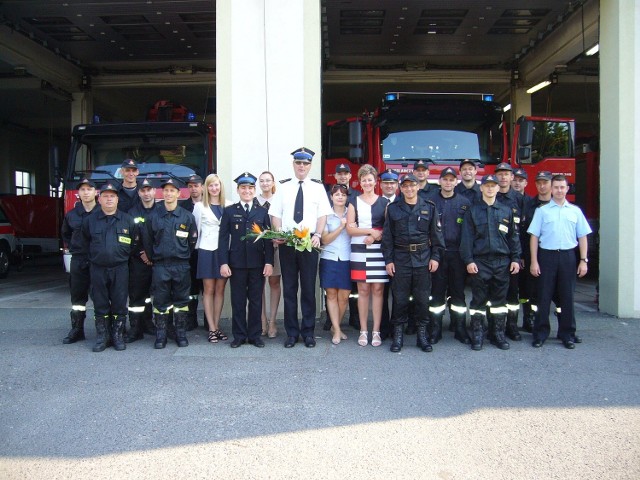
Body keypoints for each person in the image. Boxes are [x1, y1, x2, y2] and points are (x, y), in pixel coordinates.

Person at [268, 147, 332, 348]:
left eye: (305, 163)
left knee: (307, 290)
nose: (301, 166)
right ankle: (292, 333)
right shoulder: (284, 187)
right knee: (289, 289)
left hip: (308, 245)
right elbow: (275, 214)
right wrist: (278, 233)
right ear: (293, 165)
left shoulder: (317, 188)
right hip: (288, 244)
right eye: (298, 163)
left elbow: (323, 215)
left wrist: (318, 235)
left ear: (310, 166)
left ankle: (308, 332)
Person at [528, 174, 592, 349]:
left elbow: (583, 237)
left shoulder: (575, 211)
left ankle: (567, 333)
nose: (559, 190)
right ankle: (540, 334)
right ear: (551, 189)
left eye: (562, 187)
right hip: (546, 256)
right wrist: (534, 261)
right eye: (555, 187)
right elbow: (534, 237)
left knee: (567, 297)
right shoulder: (542, 211)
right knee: (543, 297)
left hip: (567, 257)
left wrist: (583, 260)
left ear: (567, 189)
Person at [381, 174, 444, 353]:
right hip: (401, 259)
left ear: (418, 187)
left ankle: (421, 336)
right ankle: (398, 335)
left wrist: (435, 257)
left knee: (422, 300)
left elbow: (437, 236)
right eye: (405, 186)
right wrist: (389, 260)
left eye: (412, 186)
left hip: (423, 259)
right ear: (401, 188)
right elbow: (387, 238)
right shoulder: (393, 209)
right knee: (400, 299)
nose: (409, 189)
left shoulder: (429, 208)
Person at [460, 174, 521, 351]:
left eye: (493, 186)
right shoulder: (472, 211)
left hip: (502, 262)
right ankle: (478, 334)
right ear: (481, 188)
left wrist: (516, 258)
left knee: (499, 301)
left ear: (497, 188)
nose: (490, 188)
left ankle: (498, 334)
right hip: (480, 262)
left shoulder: (506, 211)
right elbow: (466, 239)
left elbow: (514, 238)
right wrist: (469, 260)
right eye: (486, 185)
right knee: (478, 300)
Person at [80, 182, 137, 352]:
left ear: (117, 199)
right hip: (98, 268)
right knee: (100, 303)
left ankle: (117, 336)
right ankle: (102, 337)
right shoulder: (90, 221)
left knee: (120, 303)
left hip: (120, 268)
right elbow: (84, 243)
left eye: (112, 196)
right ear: (100, 199)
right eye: (105, 196)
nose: (109, 199)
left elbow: (134, 243)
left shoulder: (127, 220)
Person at [219, 173, 274, 348]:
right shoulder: (229, 211)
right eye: (243, 188)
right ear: (238, 190)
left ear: (254, 190)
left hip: (257, 263)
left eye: (250, 188)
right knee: (238, 301)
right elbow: (222, 239)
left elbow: (267, 240)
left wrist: (269, 262)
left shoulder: (262, 212)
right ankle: (239, 336)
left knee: (256, 301)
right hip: (236, 264)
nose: (247, 191)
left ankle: (255, 335)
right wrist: (223, 262)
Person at [142, 178, 198, 349]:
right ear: (162, 193)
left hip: (181, 265)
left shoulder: (187, 217)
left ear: (179, 194)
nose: (168, 193)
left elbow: (192, 241)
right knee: (160, 302)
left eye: (172, 191)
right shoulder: (153, 216)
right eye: (166, 190)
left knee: (181, 301)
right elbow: (147, 240)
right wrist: (154, 258)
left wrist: (181, 255)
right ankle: (161, 335)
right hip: (160, 265)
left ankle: (181, 334)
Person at [346, 165, 389, 347]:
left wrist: (374, 235)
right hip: (359, 250)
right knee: (362, 290)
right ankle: (364, 330)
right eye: (364, 180)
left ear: (375, 181)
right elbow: (350, 229)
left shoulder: (385, 202)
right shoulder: (353, 202)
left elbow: (388, 227)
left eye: (370, 179)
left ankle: (376, 331)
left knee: (378, 290)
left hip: (379, 250)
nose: (367, 182)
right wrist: (370, 231)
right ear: (360, 182)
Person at [428, 167, 471, 345]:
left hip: (457, 255)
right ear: (439, 181)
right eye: (444, 179)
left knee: (458, 293)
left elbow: (468, 232)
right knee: (436, 293)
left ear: (456, 182)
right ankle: (435, 329)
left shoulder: (464, 202)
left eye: (451, 179)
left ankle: (459, 328)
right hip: (437, 254)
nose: (448, 182)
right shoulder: (430, 201)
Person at [60, 177, 99, 344]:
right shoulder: (72, 215)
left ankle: (103, 330)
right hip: (79, 260)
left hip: (98, 261)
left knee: (101, 297)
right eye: (82, 190)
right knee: (77, 298)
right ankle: (77, 329)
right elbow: (66, 234)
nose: (86, 192)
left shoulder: (103, 212)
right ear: (79, 193)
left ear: (95, 192)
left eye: (89, 189)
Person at [192, 174, 229, 343]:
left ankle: (217, 325)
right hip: (206, 250)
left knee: (220, 290)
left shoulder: (228, 205)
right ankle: (211, 328)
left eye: (216, 185)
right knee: (208, 290)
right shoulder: (200, 206)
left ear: (221, 186)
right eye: (211, 185)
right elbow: (197, 230)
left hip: (223, 252)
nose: (214, 188)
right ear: (206, 188)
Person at [494, 162, 525, 342]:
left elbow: (521, 232)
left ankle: (512, 326)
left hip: (512, 255)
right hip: (494, 254)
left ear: (512, 177)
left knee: (513, 294)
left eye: (507, 174)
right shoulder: (490, 197)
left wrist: (519, 256)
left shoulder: (521, 200)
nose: (503, 177)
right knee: (494, 294)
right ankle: (494, 326)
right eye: (500, 174)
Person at [519, 170, 553, 333]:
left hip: (551, 253)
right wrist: (522, 255)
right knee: (528, 289)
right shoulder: (528, 205)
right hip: (530, 253)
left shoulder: (559, 205)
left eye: (545, 182)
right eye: (539, 183)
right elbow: (523, 232)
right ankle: (529, 319)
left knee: (551, 290)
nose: (541, 185)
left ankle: (546, 322)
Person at [125, 177, 157, 342]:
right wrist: (142, 254)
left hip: (156, 261)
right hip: (138, 261)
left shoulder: (161, 211)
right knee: (137, 295)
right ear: (139, 192)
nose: (146, 193)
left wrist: (153, 255)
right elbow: (128, 238)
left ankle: (149, 323)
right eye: (143, 190)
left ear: (154, 191)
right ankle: (135, 329)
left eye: (148, 190)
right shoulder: (132, 212)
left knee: (152, 296)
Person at [320, 184, 351, 345]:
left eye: (343, 194)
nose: (340, 196)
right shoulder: (326, 214)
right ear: (331, 197)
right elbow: (324, 239)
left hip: (347, 258)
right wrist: (341, 227)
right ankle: (337, 330)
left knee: (344, 296)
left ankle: (335, 326)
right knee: (331, 294)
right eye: (336, 194)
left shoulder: (352, 213)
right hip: (329, 257)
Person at [178, 174, 205, 331]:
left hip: (206, 250)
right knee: (191, 288)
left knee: (206, 287)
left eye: (196, 185)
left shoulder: (209, 204)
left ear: (202, 187)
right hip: (190, 253)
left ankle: (209, 320)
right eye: (190, 186)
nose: (193, 188)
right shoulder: (183, 207)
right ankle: (191, 318)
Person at [256, 171, 281, 338]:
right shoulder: (254, 200)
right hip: (257, 248)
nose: (265, 183)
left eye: (268, 180)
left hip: (276, 247)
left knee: (274, 282)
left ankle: (272, 321)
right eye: (262, 181)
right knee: (258, 285)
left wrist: (279, 237)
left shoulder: (279, 200)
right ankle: (262, 320)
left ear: (273, 182)